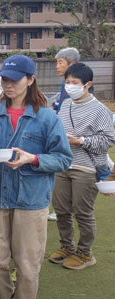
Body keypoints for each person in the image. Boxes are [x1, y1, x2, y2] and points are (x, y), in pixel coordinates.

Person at [0, 55, 72, 299]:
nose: (8, 85)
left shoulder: (47, 117)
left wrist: (33, 158)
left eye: (14, 79)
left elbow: (63, 159)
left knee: (27, 263)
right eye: (4, 80)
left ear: (30, 79)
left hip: (30, 199)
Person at [49, 63, 115, 270]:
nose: (69, 87)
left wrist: (81, 141)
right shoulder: (66, 104)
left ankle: (85, 253)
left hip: (86, 167)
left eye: (74, 83)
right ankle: (66, 247)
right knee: (61, 210)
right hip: (63, 164)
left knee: (83, 212)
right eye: (67, 82)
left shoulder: (100, 110)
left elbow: (108, 140)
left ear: (88, 85)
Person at [53, 47, 80, 113]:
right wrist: (55, 105)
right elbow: (63, 107)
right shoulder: (65, 83)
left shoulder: (79, 85)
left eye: (60, 63)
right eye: (57, 63)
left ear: (71, 64)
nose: (57, 66)